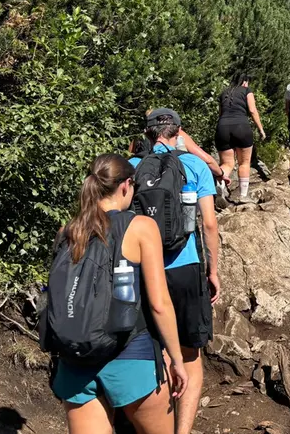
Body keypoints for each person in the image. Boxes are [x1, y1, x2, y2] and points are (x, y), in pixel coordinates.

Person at [50, 154, 188, 434]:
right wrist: (177, 359)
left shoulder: (68, 230)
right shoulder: (139, 227)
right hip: (130, 356)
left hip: (76, 361)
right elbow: (159, 303)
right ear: (126, 185)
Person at [130, 110, 219, 434]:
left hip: (144, 272)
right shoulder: (194, 165)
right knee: (190, 359)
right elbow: (209, 223)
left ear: (148, 133)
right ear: (178, 132)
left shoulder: (134, 168)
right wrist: (213, 271)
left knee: (160, 351)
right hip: (186, 267)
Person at [130, 112, 228, 188]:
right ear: (177, 130)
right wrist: (220, 174)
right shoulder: (177, 133)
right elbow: (207, 160)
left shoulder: (136, 140)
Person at [215, 73, 266, 201]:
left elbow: (220, 114)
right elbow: (253, 110)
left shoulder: (223, 93)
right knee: (244, 162)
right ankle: (243, 196)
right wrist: (261, 129)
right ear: (244, 82)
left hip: (223, 127)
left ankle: (219, 184)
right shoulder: (246, 90)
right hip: (241, 126)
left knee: (227, 163)